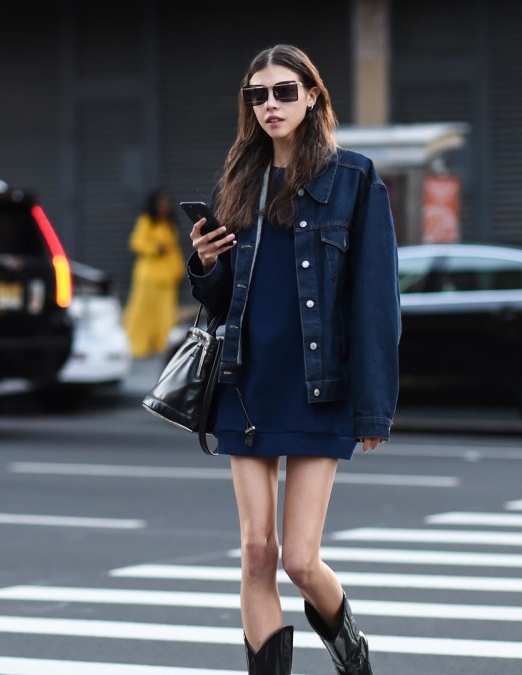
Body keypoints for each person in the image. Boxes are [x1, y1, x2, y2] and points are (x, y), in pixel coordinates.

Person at [187, 44, 399, 674]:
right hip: (245, 381)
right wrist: (203, 265)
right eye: (258, 94)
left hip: (318, 386)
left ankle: (348, 645)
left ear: (313, 96)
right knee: (256, 550)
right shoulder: (240, 182)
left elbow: (376, 301)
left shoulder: (354, 180)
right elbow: (225, 299)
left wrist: (374, 408)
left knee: (300, 561)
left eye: (283, 91)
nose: (270, 105)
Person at [123, 189, 186, 358]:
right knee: (142, 313)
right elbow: (136, 243)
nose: (164, 206)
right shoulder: (146, 222)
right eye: (161, 203)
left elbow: (175, 251)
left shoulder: (170, 224)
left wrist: (179, 270)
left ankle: (162, 345)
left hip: (167, 278)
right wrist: (155, 248)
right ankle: (137, 346)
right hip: (148, 277)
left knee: (166, 314)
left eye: (166, 203)